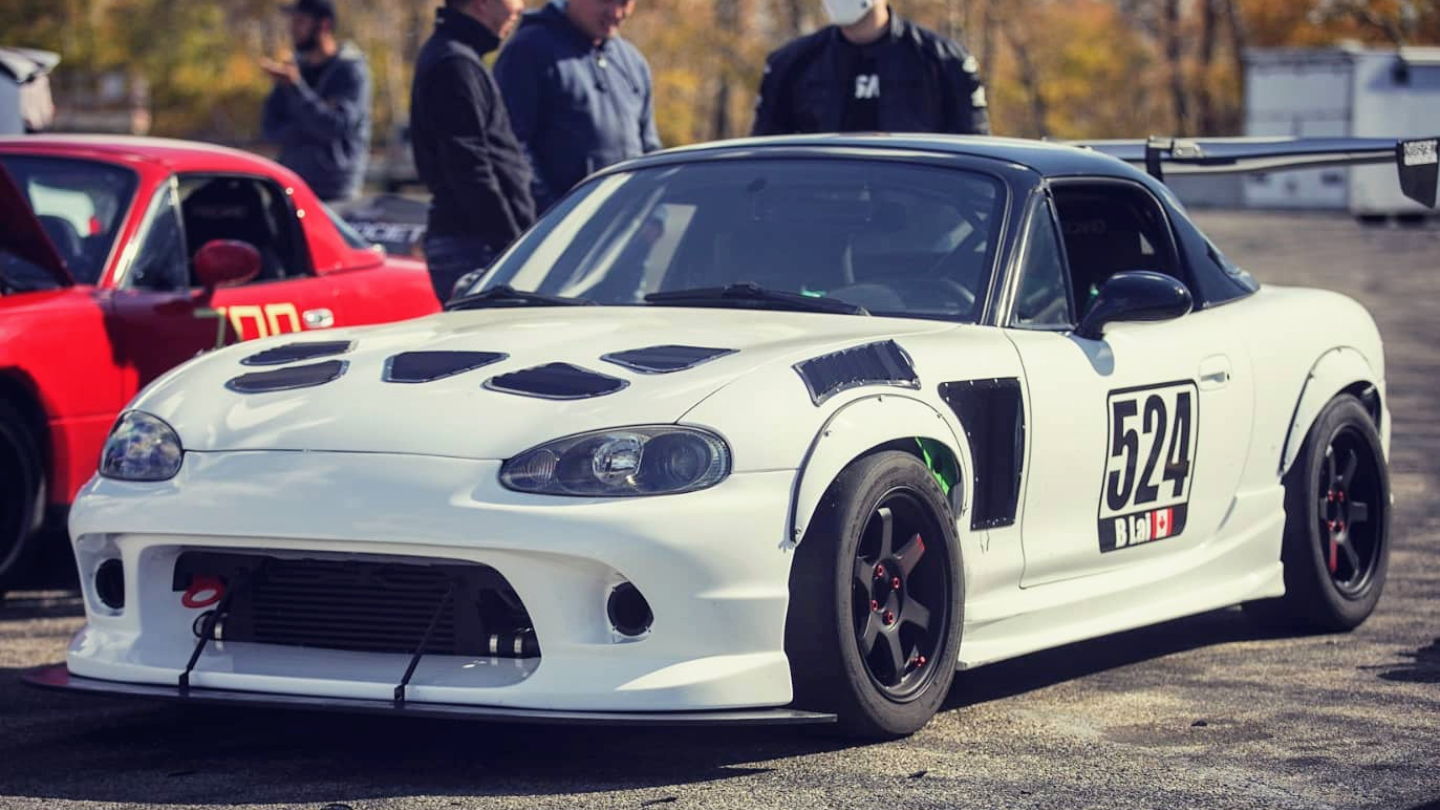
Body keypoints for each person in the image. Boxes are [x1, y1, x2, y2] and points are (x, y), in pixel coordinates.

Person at [410, 0, 536, 302]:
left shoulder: (458, 57)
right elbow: (469, 166)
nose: (521, 8)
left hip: (476, 243)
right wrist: (512, 247)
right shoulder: (455, 64)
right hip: (476, 247)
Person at [494, 0, 661, 212]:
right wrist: (555, 215)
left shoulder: (632, 63)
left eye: (625, 2)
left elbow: (650, 151)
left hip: (626, 225)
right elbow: (512, 146)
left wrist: (655, 215)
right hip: (563, 226)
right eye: (606, 0)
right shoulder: (528, 51)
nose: (617, 13)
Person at [752, 0, 990, 137]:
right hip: (819, 203)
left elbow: (973, 152)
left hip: (916, 204)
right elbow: (766, 156)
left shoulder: (945, 62)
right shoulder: (789, 65)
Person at [260, 0, 372, 202]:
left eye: (300, 21)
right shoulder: (294, 69)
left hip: (335, 192)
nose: (293, 29)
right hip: (292, 183)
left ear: (324, 25)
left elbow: (334, 126)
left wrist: (296, 88)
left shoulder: (349, 71)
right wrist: (309, 127)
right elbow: (270, 128)